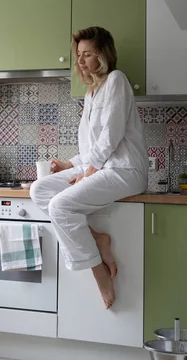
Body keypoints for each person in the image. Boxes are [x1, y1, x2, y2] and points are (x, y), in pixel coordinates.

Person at [30, 26, 148, 309]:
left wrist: (87, 173)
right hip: (102, 168)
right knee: (40, 189)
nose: (80, 61)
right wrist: (70, 165)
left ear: (103, 55)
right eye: (78, 55)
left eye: (88, 55)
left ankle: (100, 272)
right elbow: (91, 149)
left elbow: (111, 136)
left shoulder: (117, 81)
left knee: (60, 207)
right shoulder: (92, 93)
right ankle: (97, 239)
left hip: (125, 170)